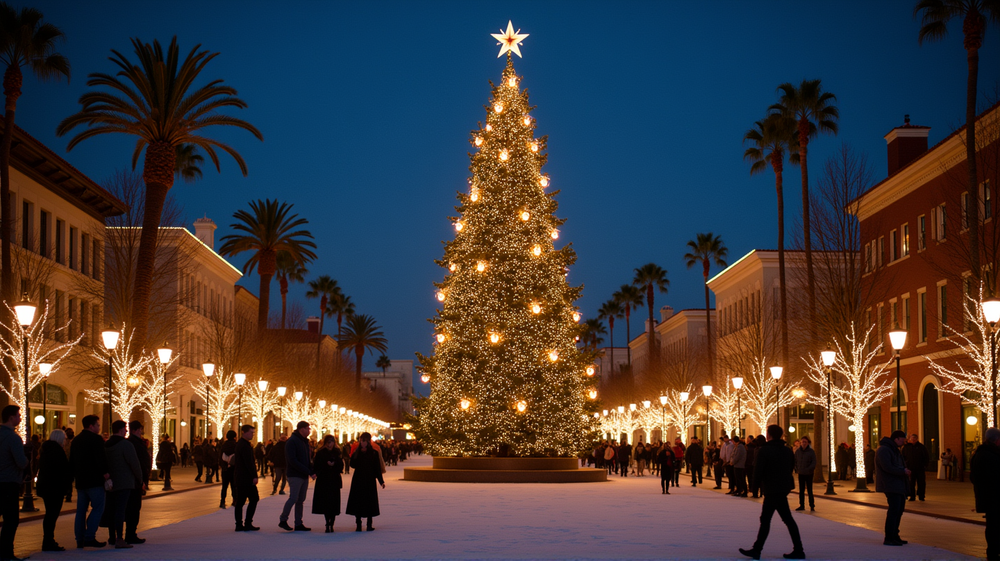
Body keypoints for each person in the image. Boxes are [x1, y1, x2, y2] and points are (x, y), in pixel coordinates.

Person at [739, 425, 805, 560]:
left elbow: (758, 470)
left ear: (769, 435)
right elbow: (791, 468)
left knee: (769, 520)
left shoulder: (765, 450)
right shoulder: (787, 451)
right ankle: (796, 549)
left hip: (771, 488)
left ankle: (758, 550)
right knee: (782, 519)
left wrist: (754, 487)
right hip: (782, 488)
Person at [71, 414, 110, 549]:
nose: (99, 428)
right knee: (98, 507)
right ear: (91, 426)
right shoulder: (96, 440)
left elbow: (72, 461)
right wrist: (106, 473)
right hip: (94, 480)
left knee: (81, 510)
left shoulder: (76, 440)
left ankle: (79, 538)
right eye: (98, 425)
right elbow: (101, 458)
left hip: (81, 480)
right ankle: (89, 536)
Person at [104, 420, 142, 549]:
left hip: (110, 483)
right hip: (125, 482)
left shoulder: (106, 445)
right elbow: (134, 464)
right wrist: (140, 479)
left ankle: (112, 536)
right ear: (121, 430)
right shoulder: (126, 444)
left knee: (111, 509)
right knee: (121, 510)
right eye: (125, 429)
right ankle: (120, 538)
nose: (126, 431)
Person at [37, 429, 72, 552]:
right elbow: (62, 470)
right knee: (52, 514)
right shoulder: (57, 452)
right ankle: (48, 540)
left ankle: (48, 540)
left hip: (46, 487)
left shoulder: (45, 450)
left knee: (50, 514)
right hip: (55, 488)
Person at [0, 406, 27, 560]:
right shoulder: (13, 437)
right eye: (18, 415)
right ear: (11, 418)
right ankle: (6, 552)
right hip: (8, 482)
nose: (20, 418)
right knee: (11, 520)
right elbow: (21, 462)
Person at [875, 430, 910, 546]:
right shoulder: (885, 450)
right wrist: (902, 471)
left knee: (898, 510)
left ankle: (894, 535)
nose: (903, 442)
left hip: (897, 484)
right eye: (902, 440)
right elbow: (887, 467)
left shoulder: (893, 449)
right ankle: (889, 537)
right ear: (896, 439)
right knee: (894, 511)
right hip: (891, 484)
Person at [278, 421, 315, 532]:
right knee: (294, 498)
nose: (309, 430)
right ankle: (283, 519)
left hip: (303, 474)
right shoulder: (292, 441)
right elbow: (292, 460)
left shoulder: (304, 442)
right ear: (301, 429)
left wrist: (311, 470)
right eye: (307, 428)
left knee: (300, 500)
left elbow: (307, 459)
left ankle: (298, 523)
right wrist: (307, 470)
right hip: (295, 474)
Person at [971, 427, 1000, 560]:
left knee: (992, 524)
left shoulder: (979, 454)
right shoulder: (990, 455)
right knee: (995, 525)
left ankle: (993, 550)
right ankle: (994, 551)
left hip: (987, 496)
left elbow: (974, 476)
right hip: (994, 496)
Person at [346, 432, 385, 531]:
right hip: (358, 480)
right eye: (361, 441)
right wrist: (357, 454)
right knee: (358, 501)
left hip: (369, 480)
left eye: (364, 441)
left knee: (369, 501)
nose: (362, 443)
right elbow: (353, 465)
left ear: (368, 441)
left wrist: (381, 481)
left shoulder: (373, 453)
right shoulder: (357, 452)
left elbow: (376, 469)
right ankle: (358, 523)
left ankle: (369, 523)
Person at [125, 420, 150, 545]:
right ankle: (130, 534)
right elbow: (138, 463)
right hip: (135, 480)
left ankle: (129, 533)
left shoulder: (133, 443)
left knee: (132, 507)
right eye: (139, 430)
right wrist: (142, 479)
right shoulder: (134, 444)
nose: (141, 432)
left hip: (135, 479)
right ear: (134, 430)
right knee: (134, 508)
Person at [313, 435, 344, 532]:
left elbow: (341, 466)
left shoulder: (337, 452)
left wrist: (334, 465)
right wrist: (325, 465)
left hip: (334, 479)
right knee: (326, 502)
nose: (329, 444)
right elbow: (316, 466)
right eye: (328, 442)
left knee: (333, 503)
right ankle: (327, 522)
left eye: (331, 442)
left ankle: (332, 523)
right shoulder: (320, 453)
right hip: (324, 480)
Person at [233, 425, 260, 532]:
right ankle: (247, 523)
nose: (252, 434)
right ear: (244, 432)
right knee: (253, 498)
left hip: (241, 477)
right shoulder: (244, 446)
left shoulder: (241, 444)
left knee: (240, 501)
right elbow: (249, 463)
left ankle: (239, 524)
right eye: (251, 432)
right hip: (246, 478)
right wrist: (254, 475)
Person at [902, 434, 928, 502]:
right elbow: (903, 457)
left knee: (921, 482)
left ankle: (921, 496)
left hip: (920, 468)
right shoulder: (906, 447)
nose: (913, 440)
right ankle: (912, 496)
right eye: (912, 438)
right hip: (910, 468)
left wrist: (924, 466)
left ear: (917, 439)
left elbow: (926, 457)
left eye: (914, 438)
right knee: (911, 483)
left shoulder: (921, 447)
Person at [794, 436, 816, 512]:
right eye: (802, 442)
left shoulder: (811, 452)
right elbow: (795, 461)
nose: (803, 443)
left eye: (805, 442)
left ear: (808, 443)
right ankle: (801, 505)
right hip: (801, 473)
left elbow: (814, 462)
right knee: (801, 490)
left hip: (809, 474)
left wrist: (808, 469)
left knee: (810, 490)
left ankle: (812, 505)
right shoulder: (798, 452)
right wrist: (797, 469)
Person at [219, 430, 237, 508]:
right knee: (234, 486)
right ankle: (235, 500)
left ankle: (222, 501)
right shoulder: (236, 445)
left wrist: (223, 466)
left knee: (224, 486)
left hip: (225, 469)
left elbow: (220, 457)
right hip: (234, 469)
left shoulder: (224, 445)